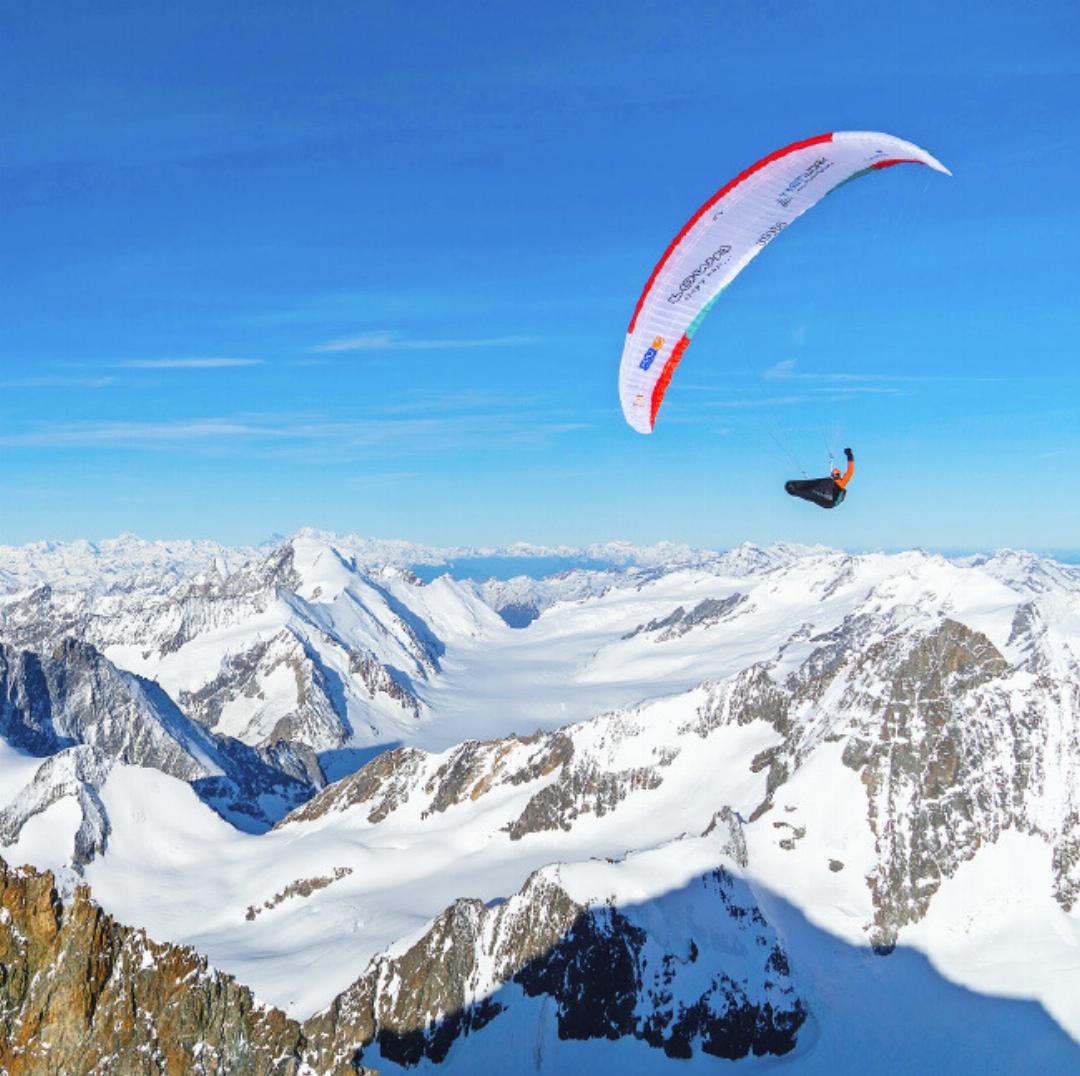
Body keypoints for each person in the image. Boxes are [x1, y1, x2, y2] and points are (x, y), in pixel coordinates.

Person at [785, 447, 854, 510]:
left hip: (831, 499)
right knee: (811, 495)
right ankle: (794, 489)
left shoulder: (842, 482)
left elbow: (850, 471)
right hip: (824, 500)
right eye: (833, 474)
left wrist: (849, 455)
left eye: (835, 474)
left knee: (828, 481)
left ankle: (799, 489)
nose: (834, 476)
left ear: (838, 475)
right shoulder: (829, 482)